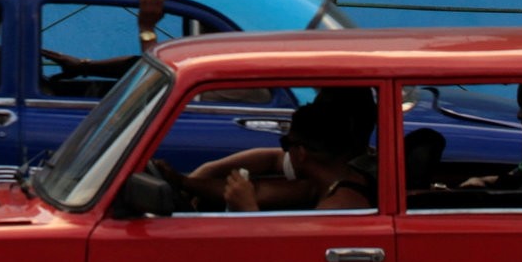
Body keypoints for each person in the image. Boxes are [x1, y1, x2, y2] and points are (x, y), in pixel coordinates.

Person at [153, 87, 377, 211]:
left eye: (286, 144)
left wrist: (247, 209)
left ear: (301, 153)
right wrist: (182, 182)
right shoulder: (324, 182)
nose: (284, 152)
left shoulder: (340, 204)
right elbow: (261, 191)